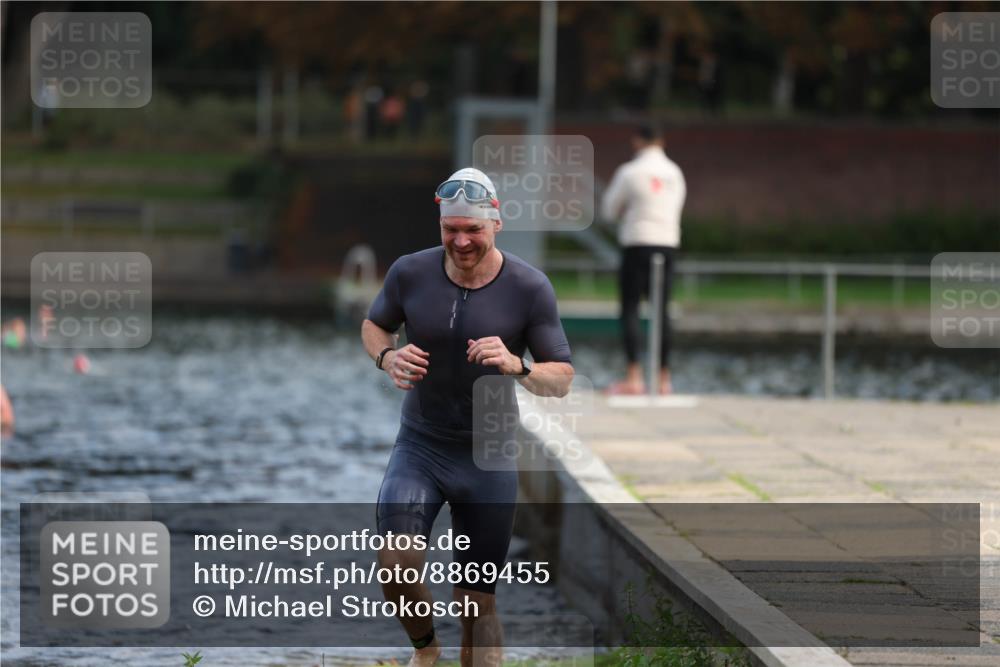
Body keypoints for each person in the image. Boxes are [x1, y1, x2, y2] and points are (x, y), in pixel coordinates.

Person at [361, 167, 574, 666]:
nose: (460, 241)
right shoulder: (409, 272)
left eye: (472, 229)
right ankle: (426, 650)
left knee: (477, 605)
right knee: (397, 563)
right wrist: (387, 357)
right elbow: (375, 324)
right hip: (421, 444)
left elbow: (561, 378)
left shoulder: (529, 287)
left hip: (488, 455)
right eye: (450, 229)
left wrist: (518, 365)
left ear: (495, 223)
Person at [601, 124, 686, 395]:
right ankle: (664, 380)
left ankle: (634, 377)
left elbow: (608, 211)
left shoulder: (630, 172)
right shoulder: (675, 173)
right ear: (661, 141)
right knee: (662, 312)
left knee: (630, 309)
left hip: (637, 244)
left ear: (637, 141)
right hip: (668, 245)